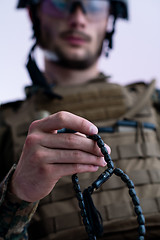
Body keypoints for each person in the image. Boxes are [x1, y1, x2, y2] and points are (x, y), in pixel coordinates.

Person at [0, 0, 160, 239]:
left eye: (94, 5)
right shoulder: (5, 125)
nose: (78, 19)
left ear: (109, 19)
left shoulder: (152, 105)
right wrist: (17, 195)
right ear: (35, 15)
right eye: (61, 3)